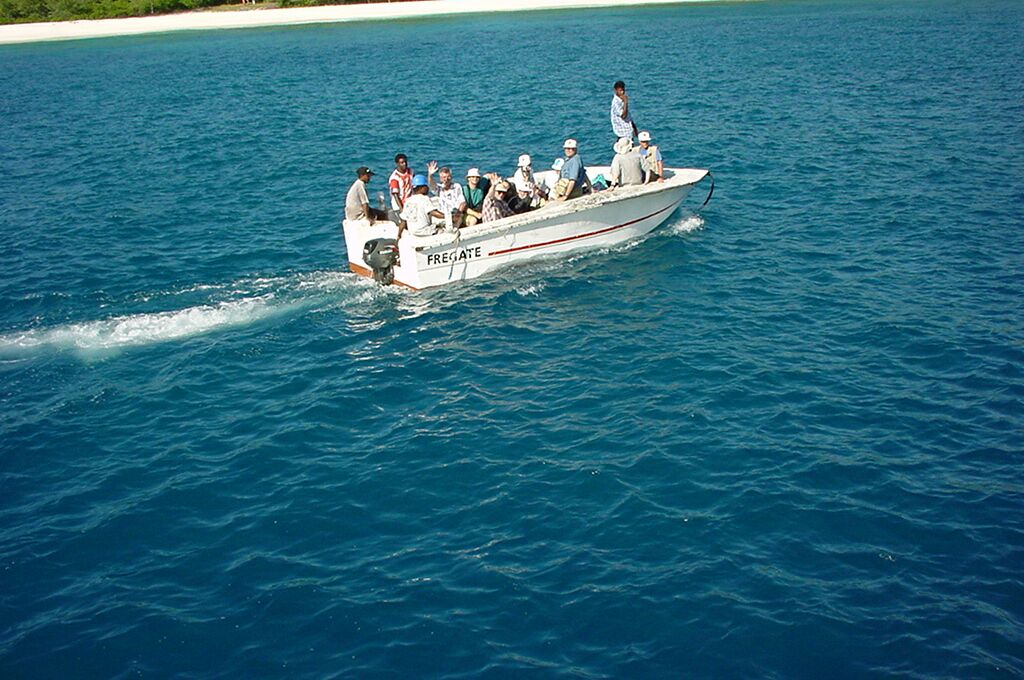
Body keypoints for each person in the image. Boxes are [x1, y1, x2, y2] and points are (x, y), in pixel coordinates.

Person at [399, 174, 444, 238]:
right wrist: (448, 217)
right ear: (422, 188)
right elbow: (433, 213)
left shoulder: (408, 201)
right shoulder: (424, 199)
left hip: (413, 232)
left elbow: (403, 221)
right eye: (426, 186)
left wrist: (399, 235)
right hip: (424, 232)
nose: (428, 188)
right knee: (444, 229)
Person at [426, 161, 466, 229]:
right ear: (440, 178)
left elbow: (463, 202)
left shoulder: (456, 186)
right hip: (443, 215)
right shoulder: (439, 188)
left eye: (448, 177)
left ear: (451, 177)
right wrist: (430, 175)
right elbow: (432, 185)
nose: (446, 179)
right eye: (444, 177)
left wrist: (458, 214)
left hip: (455, 214)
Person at [388, 153, 413, 221]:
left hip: (409, 203)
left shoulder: (410, 171)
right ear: (397, 164)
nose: (404, 164)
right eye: (402, 163)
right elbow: (395, 195)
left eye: (405, 162)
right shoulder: (394, 178)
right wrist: (402, 209)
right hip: (399, 205)